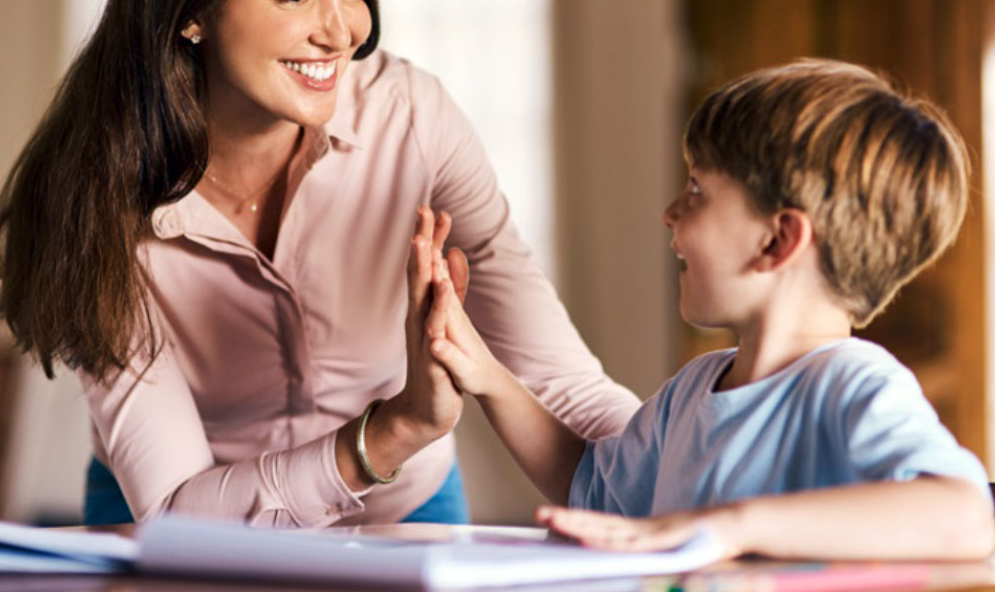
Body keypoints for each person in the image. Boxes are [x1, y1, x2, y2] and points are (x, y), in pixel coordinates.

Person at [0, 0, 639, 527]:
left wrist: (703, 478)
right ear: (192, 11)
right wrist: (394, 431)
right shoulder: (87, 196)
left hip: (400, 505)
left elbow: (562, 382)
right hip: (178, 509)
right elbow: (176, 508)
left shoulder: (412, 120)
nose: (342, 30)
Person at [421, 59, 995, 560]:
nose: (672, 212)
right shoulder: (692, 392)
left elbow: (966, 516)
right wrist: (488, 376)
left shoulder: (852, 383)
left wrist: (730, 527)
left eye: (696, 189)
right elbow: (592, 488)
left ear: (777, 241)